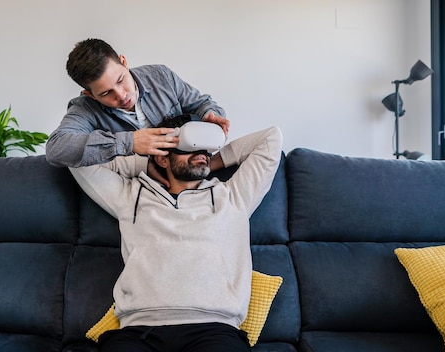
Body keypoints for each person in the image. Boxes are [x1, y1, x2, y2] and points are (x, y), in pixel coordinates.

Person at [69, 114, 283, 352]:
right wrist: (143, 160)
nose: (200, 152)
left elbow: (271, 137)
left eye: (204, 147)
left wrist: (209, 161)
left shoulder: (233, 196)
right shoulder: (131, 197)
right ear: (163, 158)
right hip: (140, 330)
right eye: (188, 146)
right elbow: (75, 158)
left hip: (214, 329)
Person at [45, 38, 230, 172]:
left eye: (120, 80)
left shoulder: (161, 75)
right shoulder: (84, 108)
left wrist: (209, 115)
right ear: (90, 95)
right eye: (106, 93)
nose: (121, 95)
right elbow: (56, 149)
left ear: (124, 62)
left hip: (189, 169)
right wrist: (129, 142)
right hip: (137, 185)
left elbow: (201, 104)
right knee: (77, 168)